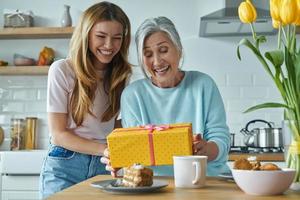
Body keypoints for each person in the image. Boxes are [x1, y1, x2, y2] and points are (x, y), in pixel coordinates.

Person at [102, 16, 230, 177]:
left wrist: (205, 149)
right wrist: (119, 159)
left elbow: (221, 140)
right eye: (148, 54)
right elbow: (135, 150)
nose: (157, 61)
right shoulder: (133, 95)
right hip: (155, 184)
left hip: (206, 180)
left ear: (179, 49)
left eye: (163, 50)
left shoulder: (203, 84)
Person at [39, 1, 131, 198]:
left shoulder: (121, 76)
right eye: (101, 36)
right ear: (86, 35)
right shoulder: (62, 70)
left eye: (117, 38)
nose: (109, 45)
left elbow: (117, 128)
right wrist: (106, 150)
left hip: (104, 166)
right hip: (65, 165)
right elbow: (58, 134)